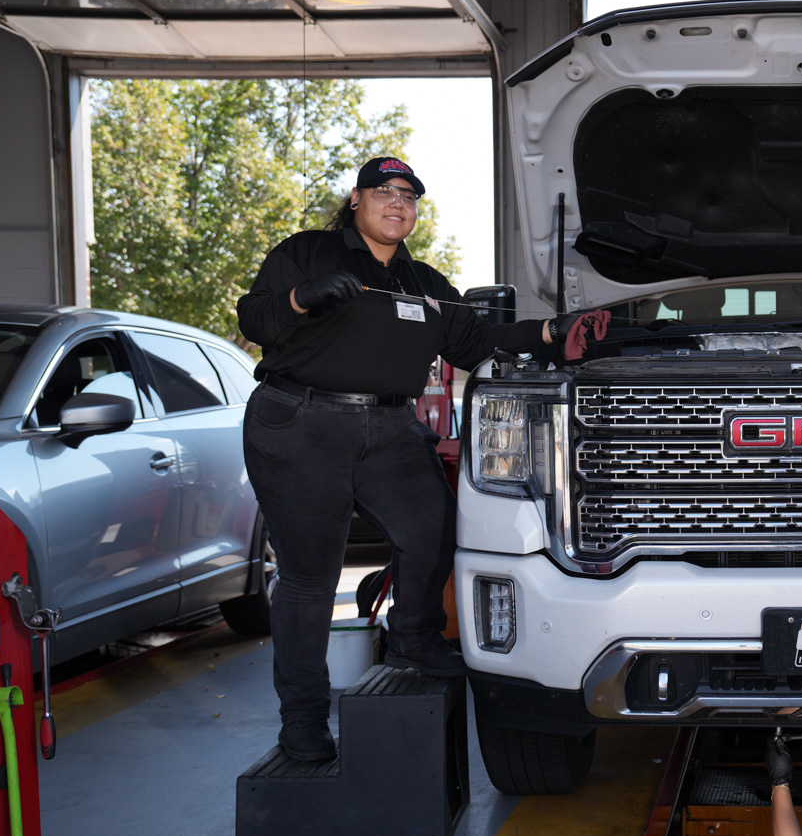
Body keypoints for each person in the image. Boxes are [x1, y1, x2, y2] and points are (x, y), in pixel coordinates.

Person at [236, 156, 610, 763]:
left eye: (409, 195)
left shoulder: (424, 284)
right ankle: (302, 721)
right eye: (384, 191)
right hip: (301, 423)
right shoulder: (306, 252)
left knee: (433, 527)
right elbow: (255, 318)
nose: (397, 202)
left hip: (387, 427)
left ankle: (413, 637)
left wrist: (552, 334)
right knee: (310, 578)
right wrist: (301, 297)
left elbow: (475, 339)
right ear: (356, 199)